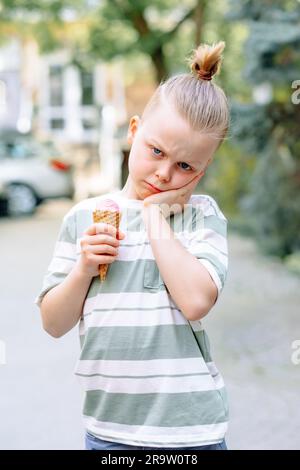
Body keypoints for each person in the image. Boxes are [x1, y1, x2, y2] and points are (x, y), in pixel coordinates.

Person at [35, 41, 230, 451]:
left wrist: (155, 216)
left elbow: (196, 301)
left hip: (190, 433)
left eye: (185, 166)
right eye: (155, 151)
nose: (163, 174)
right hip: (108, 432)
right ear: (135, 130)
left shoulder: (201, 216)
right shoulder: (84, 217)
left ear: (203, 168)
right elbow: (53, 323)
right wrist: (83, 268)